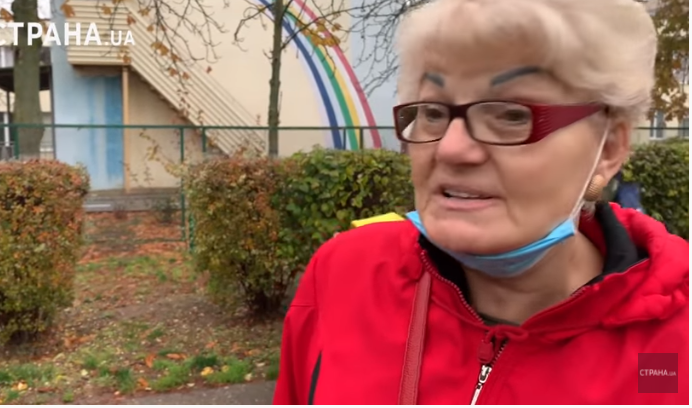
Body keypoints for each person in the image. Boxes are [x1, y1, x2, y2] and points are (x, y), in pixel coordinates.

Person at [272, 0, 688, 404]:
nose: (451, 148)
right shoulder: (344, 277)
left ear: (609, 148)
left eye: (511, 115)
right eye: (432, 112)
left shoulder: (675, 344)